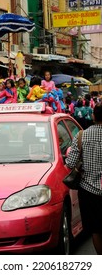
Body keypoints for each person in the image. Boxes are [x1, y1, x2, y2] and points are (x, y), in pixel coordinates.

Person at [66, 103, 102, 255]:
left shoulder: (81, 135)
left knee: (96, 230)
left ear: (93, 116)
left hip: (88, 191)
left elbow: (70, 163)